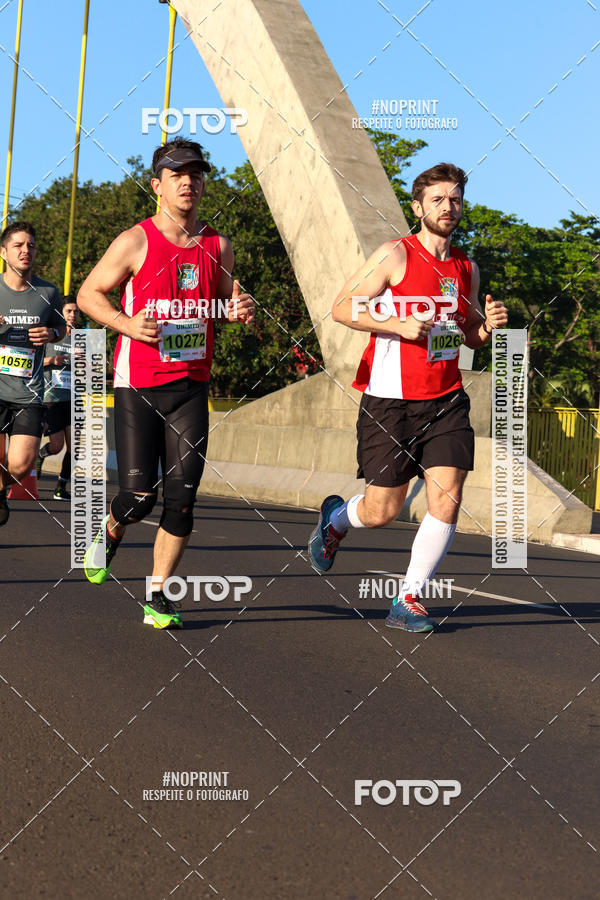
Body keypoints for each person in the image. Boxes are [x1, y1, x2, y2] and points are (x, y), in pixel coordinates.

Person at [308, 163, 508, 633]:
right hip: (390, 402)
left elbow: (469, 338)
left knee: (448, 495)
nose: (448, 207)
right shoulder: (395, 255)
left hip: (446, 400)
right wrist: (395, 324)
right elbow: (341, 308)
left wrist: (487, 326)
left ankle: (408, 598)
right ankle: (336, 521)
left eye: (455, 199)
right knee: (383, 510)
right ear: (418, 207)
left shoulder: (466, 268)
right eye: (437, 199)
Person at [77, 137, 254, 629]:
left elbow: (224, 299)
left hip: (191, 387)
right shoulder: (135, 241)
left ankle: (158, 594)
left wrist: (238, 308)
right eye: (177, 174)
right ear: (157, 185)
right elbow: (89, 293)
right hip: (138, 385)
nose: (189, 182)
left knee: (182, 498)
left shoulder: (218, 246)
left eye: (196, 174)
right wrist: (127, 324)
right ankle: (112, 528)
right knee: (139, 499)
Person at [0, 221, 65, 526]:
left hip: (30, 392)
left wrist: (51, 333)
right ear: (4, 252)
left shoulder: (48, 292)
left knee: (21, 464)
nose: (26, 251)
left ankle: (0, 492)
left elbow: (61, 326)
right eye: (18, 245)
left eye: (31, 245)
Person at [37, 296, 80, 499]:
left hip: (73, 398)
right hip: (51, 397)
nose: (73, 315)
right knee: (57, 446)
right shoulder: (50, 336)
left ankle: (61, 487)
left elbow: (94, 369)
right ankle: (40, 455)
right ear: (61, 313)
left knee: (75, 446)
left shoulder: (82, 338)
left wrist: (87, 362)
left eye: (76, 311)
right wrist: (53, 359)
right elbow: (35, 362)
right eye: (69, 311)